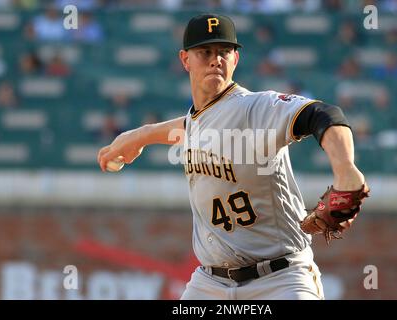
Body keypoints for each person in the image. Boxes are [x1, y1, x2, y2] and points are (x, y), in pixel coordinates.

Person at [98, 13, 367, 300]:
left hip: (280, 279)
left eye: (224, 52)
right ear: (185, 60)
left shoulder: (255, 108)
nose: (216, 59)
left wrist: (346, 170)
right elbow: (190, 127)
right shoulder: (198, 120)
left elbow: (324, 114)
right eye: (205, 52)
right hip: (210, 283)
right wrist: (140, 135)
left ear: (235, 60)